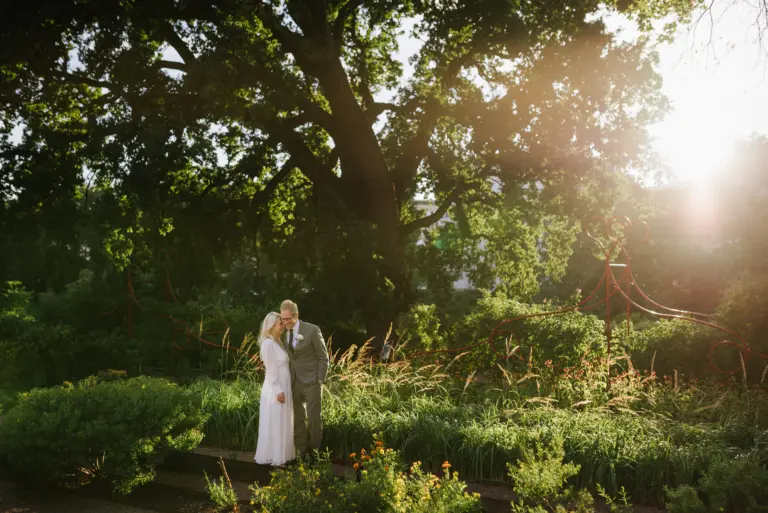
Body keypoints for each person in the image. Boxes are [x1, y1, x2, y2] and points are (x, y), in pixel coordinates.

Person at [279, 299, 329, 459]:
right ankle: (301, 453)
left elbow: (323, 357)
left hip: (312, 382)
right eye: (283, 319)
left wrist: (320, 379)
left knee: (314, 419)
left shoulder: (312, 330)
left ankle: (315, 454)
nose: (285, 322)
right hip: (293, 382)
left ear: (296, 315)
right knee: (297, 419)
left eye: (288, 319)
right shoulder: (283, 333)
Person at [253, 312, 295, 466]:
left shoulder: (278, 342)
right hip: (275, 388)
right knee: (276, 420)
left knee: (282, 420)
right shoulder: (268, 344)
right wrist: (278, 390)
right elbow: (270, 369)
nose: (282, 325)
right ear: (271, 325)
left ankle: (281, 455)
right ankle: (275, 457)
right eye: (279, 323)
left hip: (284, 385)